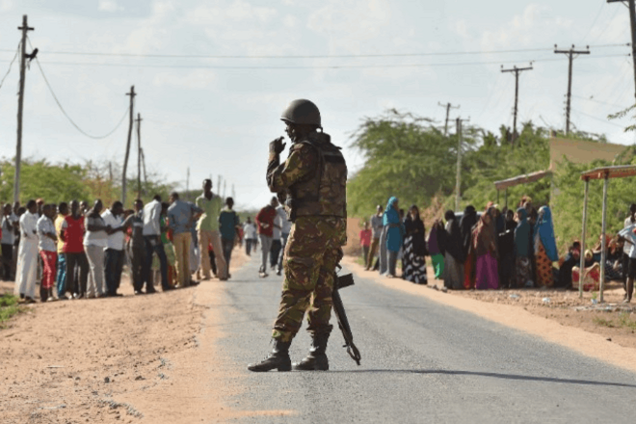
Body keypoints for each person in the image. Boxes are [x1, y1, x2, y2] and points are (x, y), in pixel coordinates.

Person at [248, 99, 347, 372]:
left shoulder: (304, 151)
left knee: (295, 288)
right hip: (334, 231)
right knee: (323, 290)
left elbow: (275, 182)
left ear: (299, 127)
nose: (288, 133)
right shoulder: (334, 153)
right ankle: (318, 353)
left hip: (309, 229)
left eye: (290, 127)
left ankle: (279, 352)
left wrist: (273, 155)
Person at [168, 192, 202, 288]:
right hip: (188, 232)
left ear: (172, 198)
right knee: (186, 256)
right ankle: (188, 280)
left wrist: (178, 225)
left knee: (179, 258)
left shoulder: (170, 209)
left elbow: (171, 225)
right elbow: (200, 211)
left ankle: (181, 282)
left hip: (178, 233)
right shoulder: (188, 204)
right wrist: (192, 219)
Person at [195, 180, 227, 281]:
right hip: (202, 227)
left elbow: (218, 212)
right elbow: (198, 212)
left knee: (218, 251)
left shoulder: (217, 199)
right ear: (203, 186)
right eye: (205, 185)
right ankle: (205, 275)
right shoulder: (199, 199)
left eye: (208, 185)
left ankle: (222, 274)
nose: (207, 187)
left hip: (214, 227)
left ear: (211, 186)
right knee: (203, 252)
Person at [61, 200, 89, 299]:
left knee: (84, 268)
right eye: (72, 206)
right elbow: (61, 235)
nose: (74, 208)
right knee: (70, 270)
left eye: (75, 206)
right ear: (69, 207)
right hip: (69, 249)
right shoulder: (66, 219)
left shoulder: (82, 219)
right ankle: (70, 291)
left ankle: (82, 291)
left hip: (80, 248)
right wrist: (70, 241)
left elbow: (85, 231)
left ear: (78, 207)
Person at [84, 200, 110, 299]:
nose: (99, 207)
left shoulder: (98, 216)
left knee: (93, 268)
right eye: (97, 205)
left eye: (100, 205)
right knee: (96, 268)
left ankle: (90, 292)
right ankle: (98, 291)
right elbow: (89, 227)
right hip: (92, 244)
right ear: (94, 205)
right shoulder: (90, 215)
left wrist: (105, 229)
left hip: (98, 244)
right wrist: (103, 227)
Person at [143, 194, 169, 292]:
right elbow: (154, 218)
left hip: (145, 234)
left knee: (148, 260)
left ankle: (148, 286)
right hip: (153, 234)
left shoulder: (146, 205)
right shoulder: (157, 205)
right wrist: (158, 234)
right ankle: (164, 285)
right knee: (163, 258)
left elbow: (144, 219)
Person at [14, 200, 39, 303]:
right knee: (24, 268)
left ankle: (29, 294)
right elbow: (29, 232)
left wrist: (36, 233)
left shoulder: (36, 216)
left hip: (34, 246)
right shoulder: (24, 217)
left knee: (32, 270)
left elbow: (37, 230)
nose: (36, 208)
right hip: (26, 246)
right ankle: (22, 292)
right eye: (35, 206)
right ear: (31, 207)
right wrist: (36, 234)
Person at [102, 201, 126, 297]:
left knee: (117, 270)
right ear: (115, 208)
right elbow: (106, 231)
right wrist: (119, 229)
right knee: (109, 270)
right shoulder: (105, 216)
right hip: (110, 247)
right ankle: (109, 290)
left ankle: (114, 290)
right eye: (120, 209)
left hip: (119, 247)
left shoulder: (118, 217)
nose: (121, 211)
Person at [124, 199, 148, 294]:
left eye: (140, 206)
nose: (138, 208)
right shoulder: (131, 217)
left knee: (144, 266)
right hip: (134, 245)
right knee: (135, 267)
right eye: (137, 206)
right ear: (134, 207)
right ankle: (136, 288)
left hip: (144, 245)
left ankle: (141, 285)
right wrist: (129, 234)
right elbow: (123, 227)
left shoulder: (145, 217)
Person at [473, 207, 499, 290]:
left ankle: (490, 285)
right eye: (486, 218)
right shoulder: (481, 227)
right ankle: (481, 285)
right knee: (481, 269)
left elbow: (491, 238)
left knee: (489, 269)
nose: (488, 219)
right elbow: (479, 239)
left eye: (489, 218)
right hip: (482, 251)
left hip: (488, 251)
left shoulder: (489, 226)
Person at [533, 206, 558, 288]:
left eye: (542, 213)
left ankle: (547, 283)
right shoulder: (538, 224)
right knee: (539, 267)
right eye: (540, 213)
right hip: (539, 249)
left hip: (545, 250)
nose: (540, 215)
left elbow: (549, 240)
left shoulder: (547, 225)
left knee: (545, 267)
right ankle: (540, 283)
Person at [37, 204, 57, 302]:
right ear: (44, 211)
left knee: (48, 271)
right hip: (45, 248)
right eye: (49, 210)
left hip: (52, 248)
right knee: (50, 270)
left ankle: (44, 295)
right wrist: (57, 239)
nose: (51, 211)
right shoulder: (42, 221)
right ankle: (50, 293)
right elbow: (48, 234)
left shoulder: (50, 221)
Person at [402, 205, 428, 284]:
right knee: (409, 262)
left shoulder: (419, 222)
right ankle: (409, 277)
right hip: (408, 246)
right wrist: (413, 231)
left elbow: (421, 232)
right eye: (411, 211)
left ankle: (420, 279)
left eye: (414, 211)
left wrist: (415, 231)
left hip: (418, 246)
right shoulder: (406, 221)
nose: (413, 212)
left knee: (418, 262)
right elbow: (406, 232)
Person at [255, 197, 278, 278]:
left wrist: (278, 227)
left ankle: (262, 267)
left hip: (270, 233)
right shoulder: (265, 209)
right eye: (273, 202)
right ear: (271, 202)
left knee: (266, 251)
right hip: (262, 232)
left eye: (276, 202)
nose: (275, 203)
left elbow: (272, 221)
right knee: (264, 249)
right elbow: (257, 218)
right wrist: (261, 224)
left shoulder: (274, 212)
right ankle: (263, 269)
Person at [442, 210, 465, 290]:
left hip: (451, 250)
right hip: (453, 250)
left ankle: (454, 284)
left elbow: (450, 236)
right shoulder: (453, 223)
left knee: (452, 269)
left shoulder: (451, 223)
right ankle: (454, 284)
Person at [514, 207, 534, 288]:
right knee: (520, 267)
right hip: (518, 249)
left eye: (519, 213)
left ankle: (526, 283)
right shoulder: (520, 223)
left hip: (524, 249)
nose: (518, 215)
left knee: (524, 267)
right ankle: (521, 283)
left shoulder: (526, 223)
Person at [219, 197, 240, 272]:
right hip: (227, 236)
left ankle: (224, 271)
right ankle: (225, 272)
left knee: (224, 255)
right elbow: (237, 225)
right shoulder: (233, 213)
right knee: (226, 255)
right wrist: (239, 237)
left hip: (225, 236)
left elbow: (219, 224)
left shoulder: (221, 212)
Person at [460, 205, 478, 289]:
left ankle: (468, 284)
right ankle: (469, 284)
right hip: (469, 246)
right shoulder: (470, 219)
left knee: (469, 266)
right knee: (469, 266)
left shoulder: (464, 219)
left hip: (466, 246)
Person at [498, 209, 517, 289]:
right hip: (503, 249)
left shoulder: (514, 224)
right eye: (507, 215)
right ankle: (504, 283)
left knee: (510, 267)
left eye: (510, 215)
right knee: (503, 268)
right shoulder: (502, 224)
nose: (508, 217)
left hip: (511, 248)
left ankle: (511, 283)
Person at [383, 197, 402, 278]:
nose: (396, 204)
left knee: (395, 253)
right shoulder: (387, 211)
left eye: (396, 203)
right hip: (390, 233)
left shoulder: (397, 212)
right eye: (394, 203)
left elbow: (400, 221)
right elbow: (387, 222)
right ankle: (389, 271)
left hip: (396, 233)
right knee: (390, 253)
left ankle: (393, 271)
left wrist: (398, 213)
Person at [54, 203, 69, 299]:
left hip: (59, 247)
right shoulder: (63, 220)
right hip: (64, 247)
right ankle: (61, 292)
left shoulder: (57, 219)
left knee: (60, 271)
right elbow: (62, 235)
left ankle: (59, 291)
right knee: (64, 271)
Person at [366, 205, 383, 270]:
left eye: (380, 209)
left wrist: (379, 226)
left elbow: (384, 226)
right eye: (378, 209)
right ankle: (368, 265)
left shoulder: (383, 217)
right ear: (377, 209)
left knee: (381, 252)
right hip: (375, 236)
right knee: (371, 251)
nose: (379, 210)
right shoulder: (373, 217)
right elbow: (373, 226)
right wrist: (379, 226)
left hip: (381, 236)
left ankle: (377, 266)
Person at [276, 204, 292, 276]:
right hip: (284, 232)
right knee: (283, 250)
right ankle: (279, 268)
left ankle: (289, 270)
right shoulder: (279, 209)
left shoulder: (294, 206)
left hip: (293, 232)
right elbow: (272, 215)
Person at [2, 203, 15, 281]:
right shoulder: (4, 217)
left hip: (9, 241)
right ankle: (6, 274)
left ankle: (9, 274)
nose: (5, 210)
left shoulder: (12, 217)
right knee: (4, 258)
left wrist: (6, 218)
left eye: (6, 208)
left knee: (8, 259)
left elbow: (10, 228)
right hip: (3, 241)